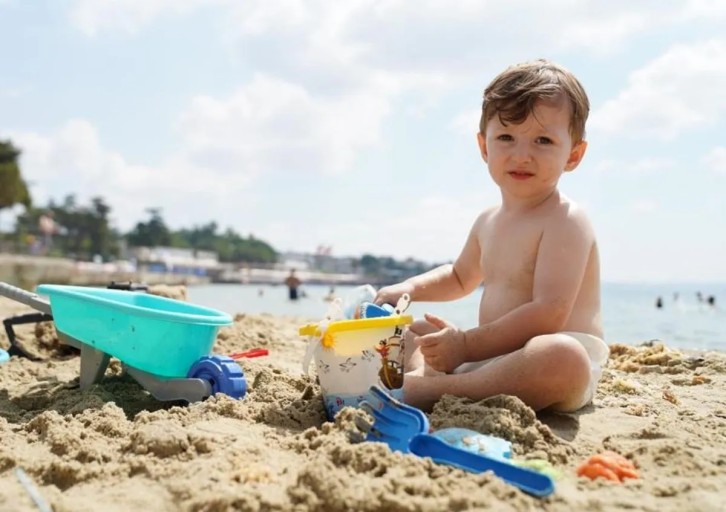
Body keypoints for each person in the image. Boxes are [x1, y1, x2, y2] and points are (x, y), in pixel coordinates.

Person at [375, 59, 608, 413]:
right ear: (484, 147)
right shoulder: (488, 220)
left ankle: (433, 389)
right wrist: (407, 289)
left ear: (573, 154)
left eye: (543, 140)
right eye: (506, 138)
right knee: (416, 330)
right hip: (494, 362)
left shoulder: (565, 220)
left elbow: (549, 313)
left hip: (547, 360)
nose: (522, 154)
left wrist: (466, 346)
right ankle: (439, 382)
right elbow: (458, 277)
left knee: (563, 356)